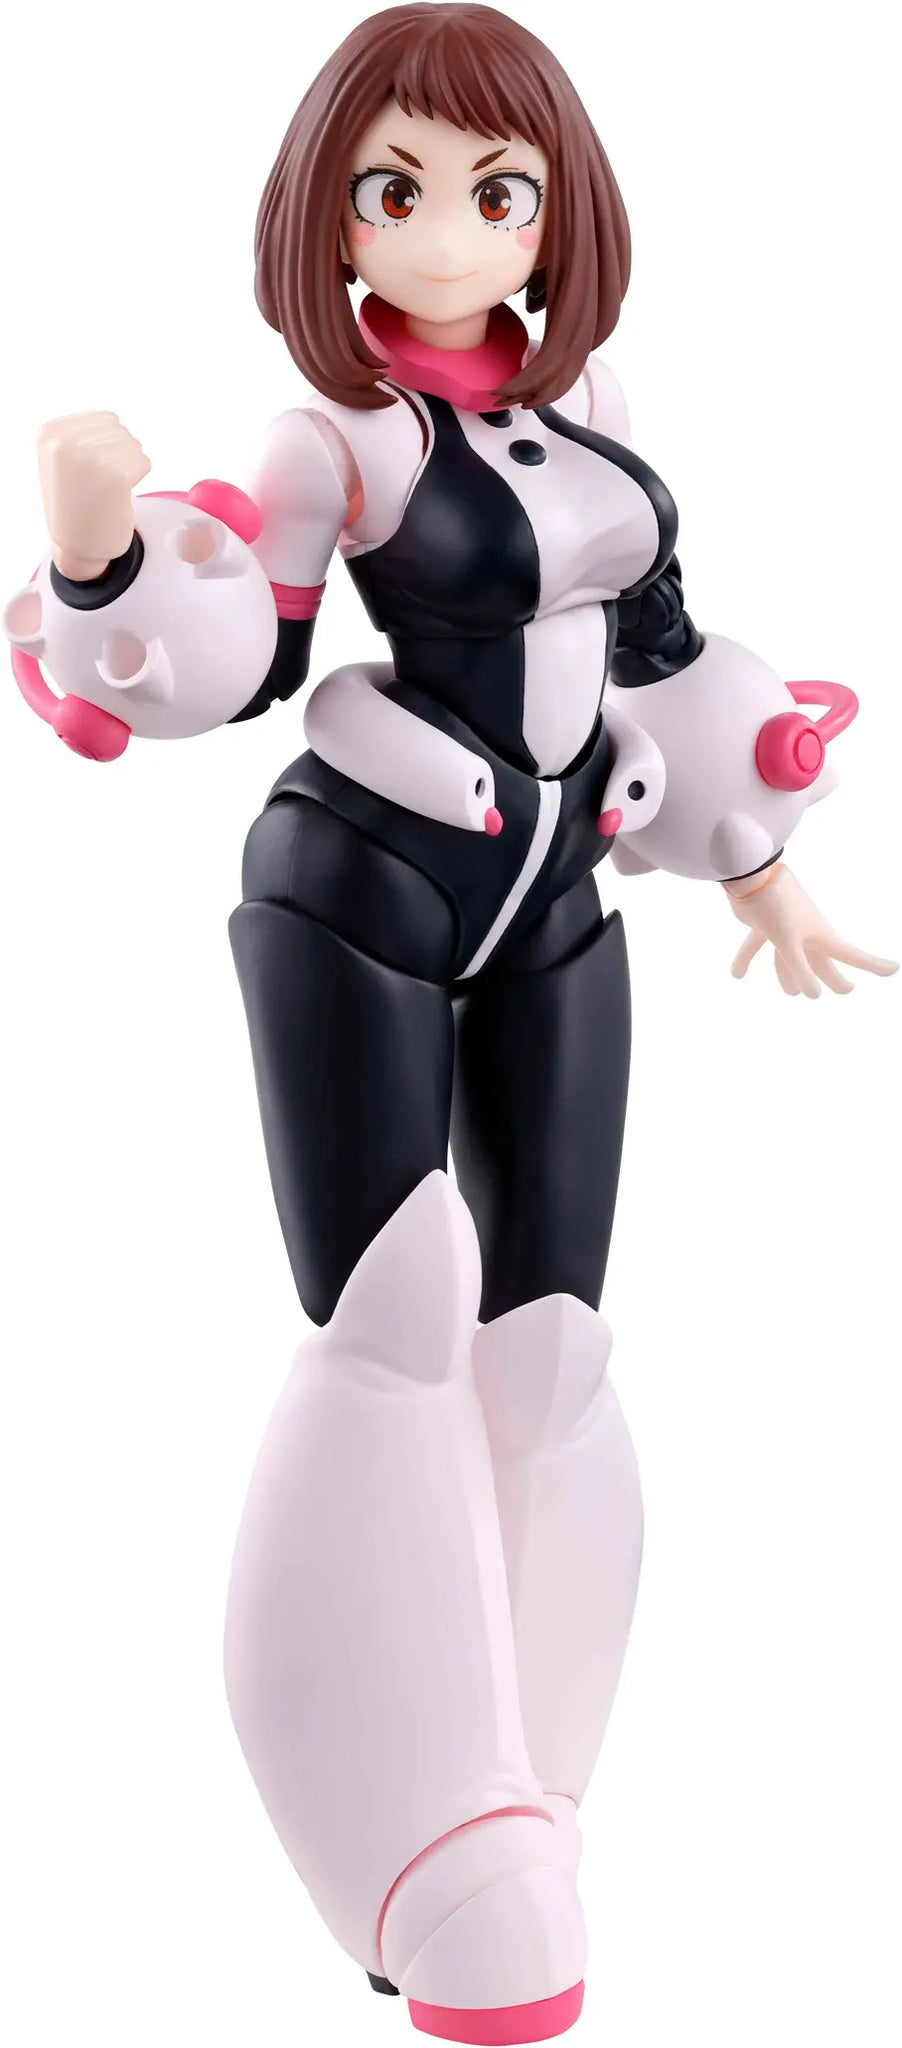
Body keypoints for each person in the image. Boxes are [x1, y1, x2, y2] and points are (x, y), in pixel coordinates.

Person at [5, 8, 895, 2041]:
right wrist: (94, 546)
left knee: (550, 1344)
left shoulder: (587, 413)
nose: (448, 233)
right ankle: (402, 1833)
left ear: (553, 213)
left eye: (498, 191)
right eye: (392, 189)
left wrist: (757, 860)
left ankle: (520, 1782)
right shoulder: (332, 441)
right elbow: (236, 656)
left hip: (557, 900)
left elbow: (656, 650)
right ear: (329, 219)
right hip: (366, 888)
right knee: (392, 1323)